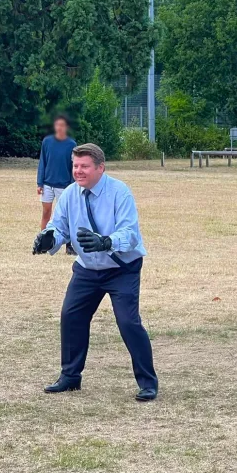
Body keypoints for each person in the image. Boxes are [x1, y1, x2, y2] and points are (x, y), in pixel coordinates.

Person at [32, 143, 159, 401]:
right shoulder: (69, 194)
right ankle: (70, 377)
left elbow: (130, 234)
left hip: (121, 269)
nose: (78, 171)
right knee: (71, 315)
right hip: (87, 269)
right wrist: (49, 239)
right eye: (75, 165)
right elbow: (60, 227)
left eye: (84, 166)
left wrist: (106, 242)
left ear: (100, 168)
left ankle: (148, 383)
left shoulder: (119, 192)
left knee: (128, 322)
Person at [37, 115, 77, 253]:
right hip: (48, 184)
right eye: (57, 125)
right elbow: (43, 162)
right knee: (46, 213)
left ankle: (69, 245)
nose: (59, 128)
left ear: (66, 127)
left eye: (62, 125)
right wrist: (39, 182)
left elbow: (73, 166)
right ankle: (43, 243)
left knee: (65, 216)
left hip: (64, 185)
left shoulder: (71, 144)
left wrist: (72, 185)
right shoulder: (47, 142)